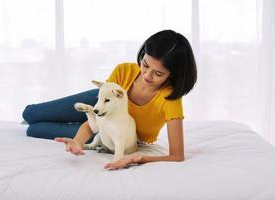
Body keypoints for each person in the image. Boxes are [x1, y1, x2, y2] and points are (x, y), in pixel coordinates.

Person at [22, 29, 197, 170]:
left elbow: (176, 155)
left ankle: (30, 124)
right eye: (145, 64)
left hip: (113, 133)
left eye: (158, 73)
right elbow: (98, 117)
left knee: (34, 130)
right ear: (143, 55)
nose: (147, 75)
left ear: (173, 74)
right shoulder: (123, 71)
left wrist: (139, 157)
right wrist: (80, 139)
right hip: (99, 104)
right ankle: (29, 116)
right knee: (31, 114)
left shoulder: (170, 99)